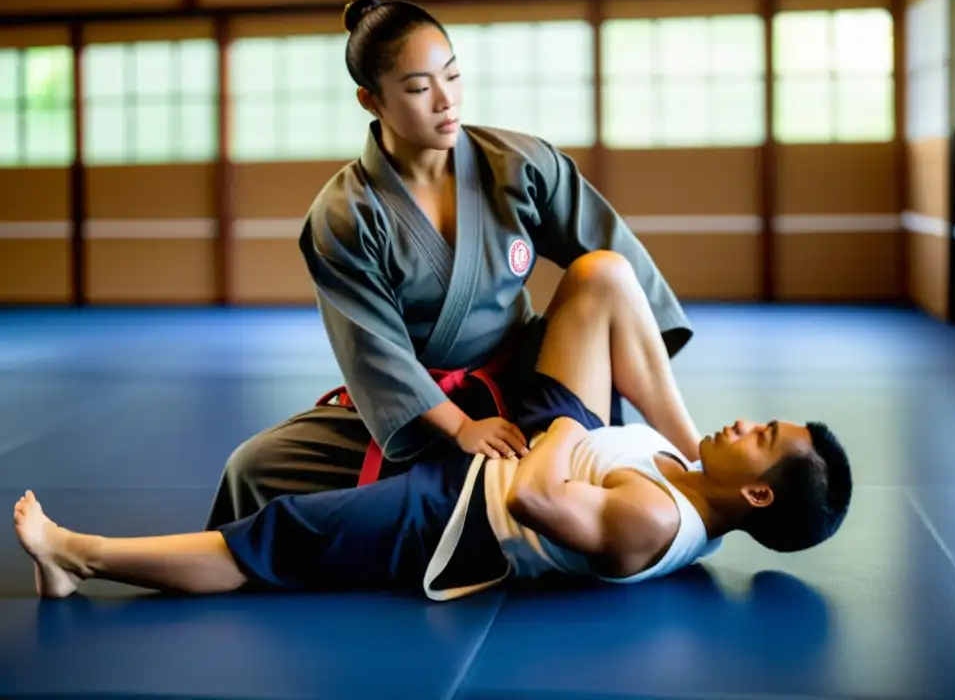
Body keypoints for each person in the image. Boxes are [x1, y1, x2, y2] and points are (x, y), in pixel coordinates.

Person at [12, 251, 853, 601]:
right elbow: (578, 440)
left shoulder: (655, 517)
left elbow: (534, 503)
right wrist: (582, 427)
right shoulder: (683, 472)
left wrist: (559, 432)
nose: (747, 421)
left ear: (755, 490)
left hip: (461, 512)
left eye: (762, 433)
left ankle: (78, 556)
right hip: (549, 440)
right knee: (602, 274)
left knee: (283, 535)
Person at [204, 0, 702, 530]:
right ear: (370, 100)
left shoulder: (520, 165)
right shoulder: (345, 214)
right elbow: (375, 353)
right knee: (253, 467)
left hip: (535, 378)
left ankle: (693, 455)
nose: (446, 100)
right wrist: (462, 427)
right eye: (419, 88)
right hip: (422, 407)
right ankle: (232, 562)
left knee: (604, 272)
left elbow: (616, 278)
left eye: (453, 76)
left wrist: (612, 367)